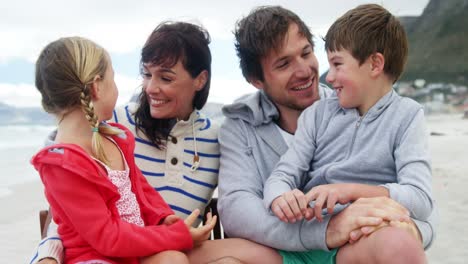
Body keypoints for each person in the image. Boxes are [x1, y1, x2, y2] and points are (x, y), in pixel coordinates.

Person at [32, 23, 282, 264]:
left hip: (170, 248)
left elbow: (247, 195)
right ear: (96, 87)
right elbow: (68, 211)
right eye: (147, 74)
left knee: (263, 257)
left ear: (200, 80)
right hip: (113, 250)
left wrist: (167, 221)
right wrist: (48, 254)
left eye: (166, 78)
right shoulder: (109, 122)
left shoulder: (218, 137)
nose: (151, 88)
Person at [218, 5, 436, 264]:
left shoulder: (395, 112)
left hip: (357, 244)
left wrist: (403, 226)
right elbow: (238, 208)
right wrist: (323, 227)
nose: (307, 71)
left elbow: (420, 203)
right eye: (284, 63)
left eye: (307, 53)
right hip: (296, 243)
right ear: (257, 80)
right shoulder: (243, 127)